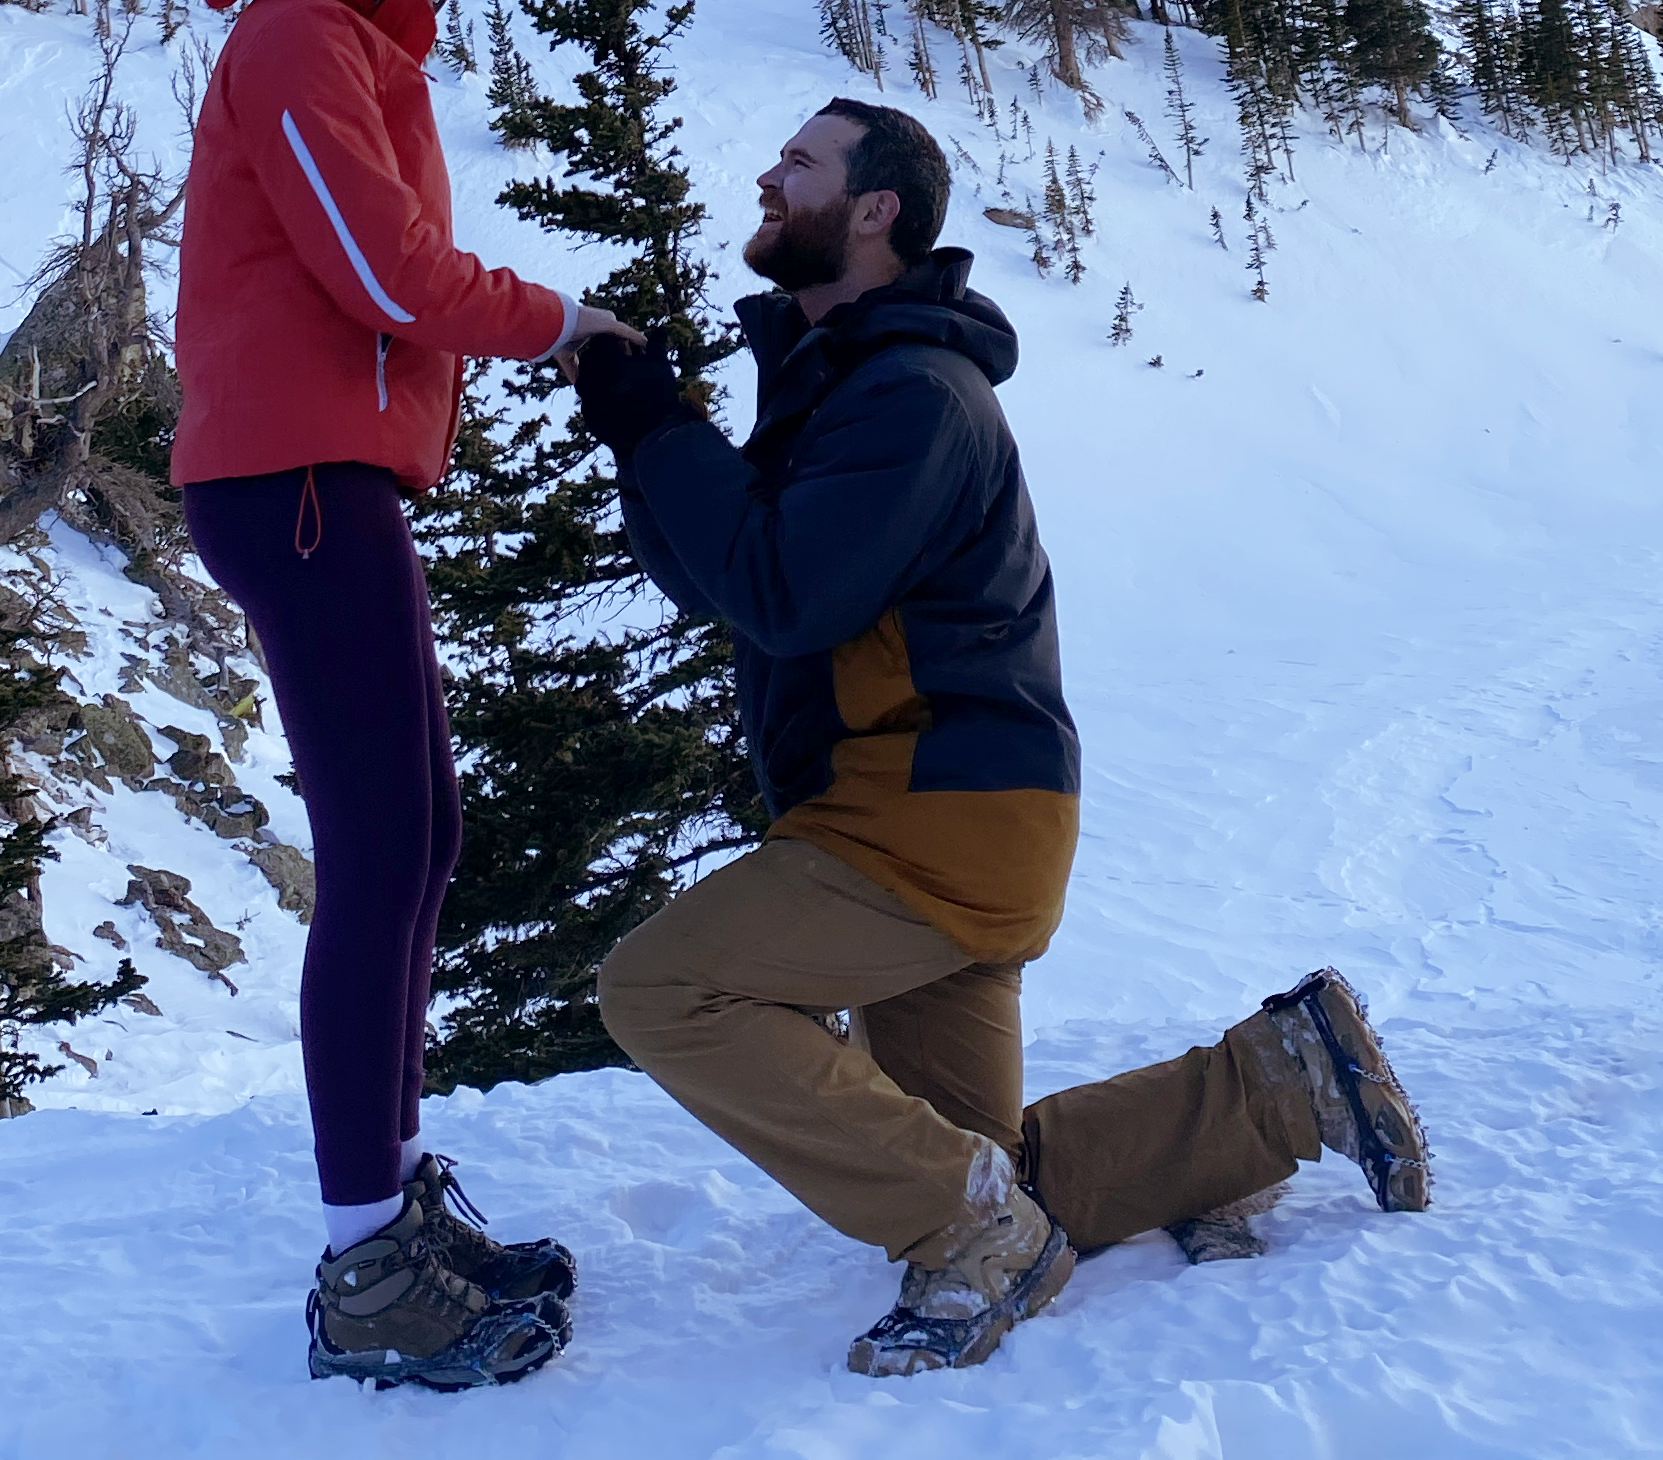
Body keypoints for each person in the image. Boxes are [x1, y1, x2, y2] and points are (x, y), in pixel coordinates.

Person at [570, 96, 1432, 1377]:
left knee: (662, 987)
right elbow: (725, 576)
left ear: (876, 211)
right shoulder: (850, 384)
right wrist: (640, 429)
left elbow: (782, 591)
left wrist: (658, 424)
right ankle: (1281, 1080)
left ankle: (979, 1240)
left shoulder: (913, 394)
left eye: (797, 163)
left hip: (928, 820)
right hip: (946, 810)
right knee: (969, 1161)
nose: (767, 175)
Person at [173, 0, 636, 1392]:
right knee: (381, 844)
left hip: (326, 474)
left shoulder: (357, 46)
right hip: (291, 478)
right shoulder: (299, 40)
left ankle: (394, 1196)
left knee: (419, 832)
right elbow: (374, 272)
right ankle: (366, 1263)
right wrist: (561, 320)